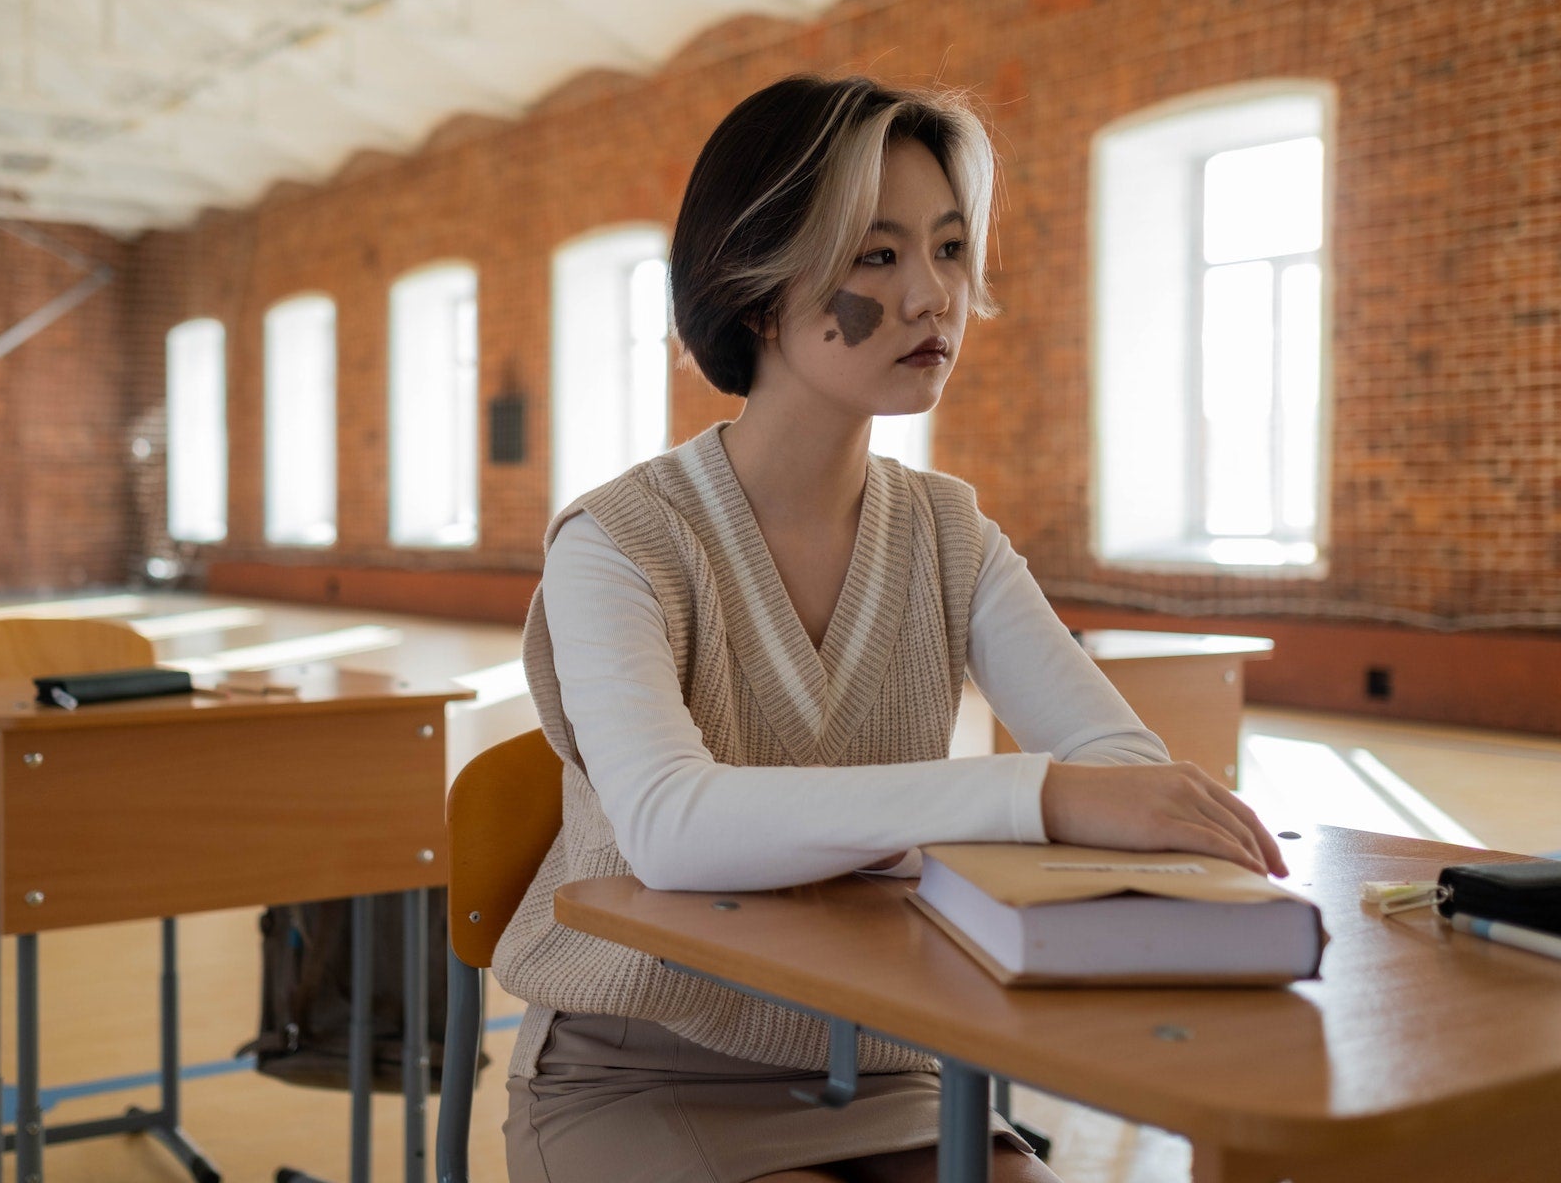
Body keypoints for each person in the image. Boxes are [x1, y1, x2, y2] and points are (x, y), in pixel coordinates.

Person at [493, 74, 1288, 1183]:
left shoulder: (947, 530)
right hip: (641, 1066)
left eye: (951, 249)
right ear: (758, 289)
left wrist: (1071, 791)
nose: (934, 298)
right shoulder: (618, 542)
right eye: (877, 256)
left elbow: (1122, 765)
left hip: (892, 1059)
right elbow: (673, 826)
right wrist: (1033, 795)